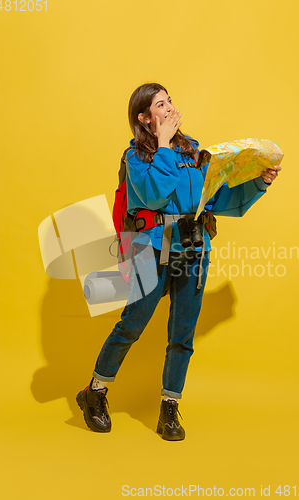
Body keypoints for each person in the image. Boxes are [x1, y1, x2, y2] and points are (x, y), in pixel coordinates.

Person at [76, 83, 281, 440]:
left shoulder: (195, 152)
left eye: (170, 100)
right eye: (160, 103)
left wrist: (258, 183)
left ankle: (169, 406)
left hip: (193, 249)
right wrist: (165, 145)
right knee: (132, 325)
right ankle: (94, 392)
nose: (170, 107)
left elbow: (217, 198)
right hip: (149, 249)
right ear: (144, 118)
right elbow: (153, 195)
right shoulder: (136, 157)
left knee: (182, 335)